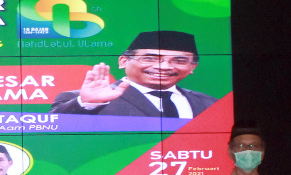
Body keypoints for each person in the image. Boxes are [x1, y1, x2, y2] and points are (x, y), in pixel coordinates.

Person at [49, 30, 218, 118]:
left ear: (192, 67)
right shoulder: (86, 100)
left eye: (179, 60)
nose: (164, 67)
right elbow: (52, 132)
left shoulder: (210, 103)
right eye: (150, 58)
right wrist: (87, 103)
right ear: (123, 61)